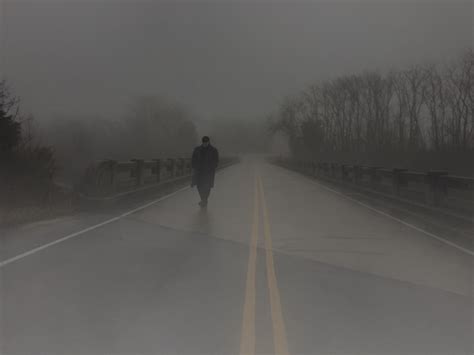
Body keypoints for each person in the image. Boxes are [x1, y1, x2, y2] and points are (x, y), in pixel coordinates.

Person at [191, 136, 219, 207]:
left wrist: (212, 167)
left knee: (207, 187)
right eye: (204, 142)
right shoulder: (197, 149)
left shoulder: (213, 150)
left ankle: (204, 200)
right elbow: (193, 159)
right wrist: (194, 167)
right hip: (199, 171)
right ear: (202, 142)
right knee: (199, 186)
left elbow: (216, 161)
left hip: (208, 172)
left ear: (209, 142)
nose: (205, 144)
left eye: (206, 142)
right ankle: (203, 199)